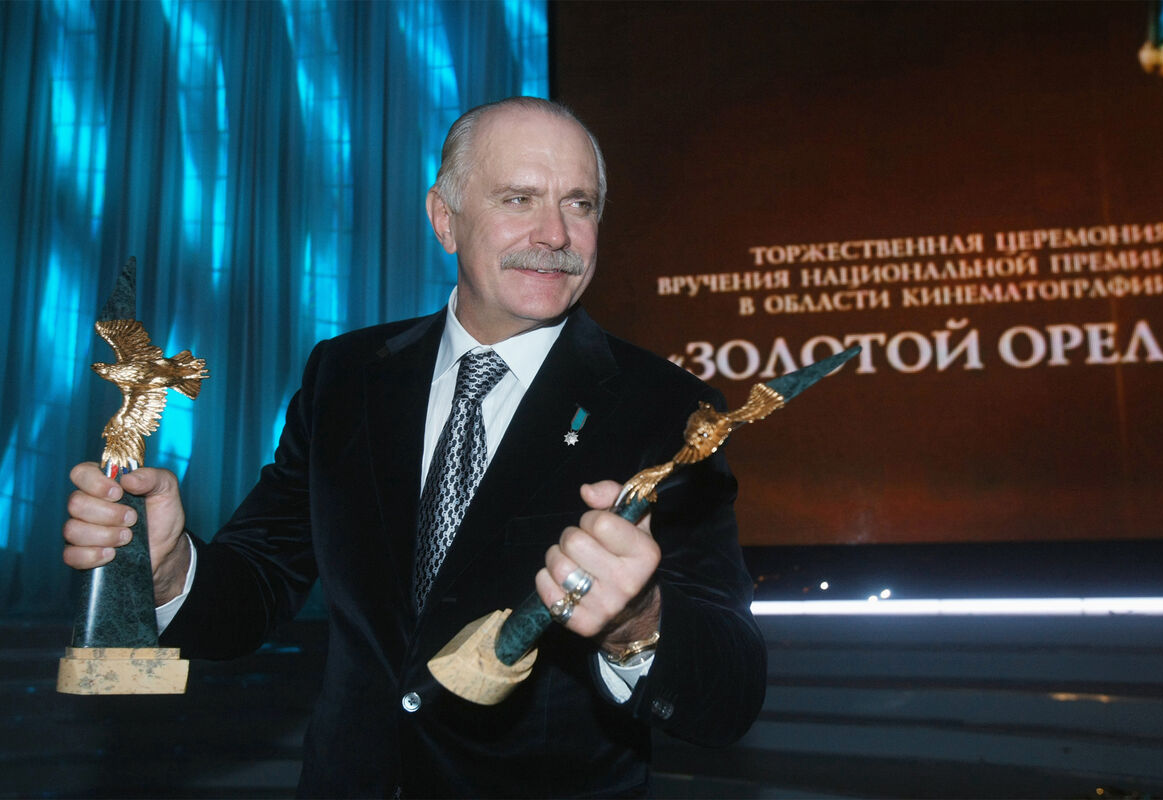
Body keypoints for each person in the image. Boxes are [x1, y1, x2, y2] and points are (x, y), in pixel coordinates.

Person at [63, 97, 765, 798]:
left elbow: (728, 696)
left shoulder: (666, 409)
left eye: (578, 205)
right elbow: (260, 580)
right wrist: (170, 572)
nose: (555, 233)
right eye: (518, 198)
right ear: (444, 218)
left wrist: (638, 621)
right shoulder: (346, 376)